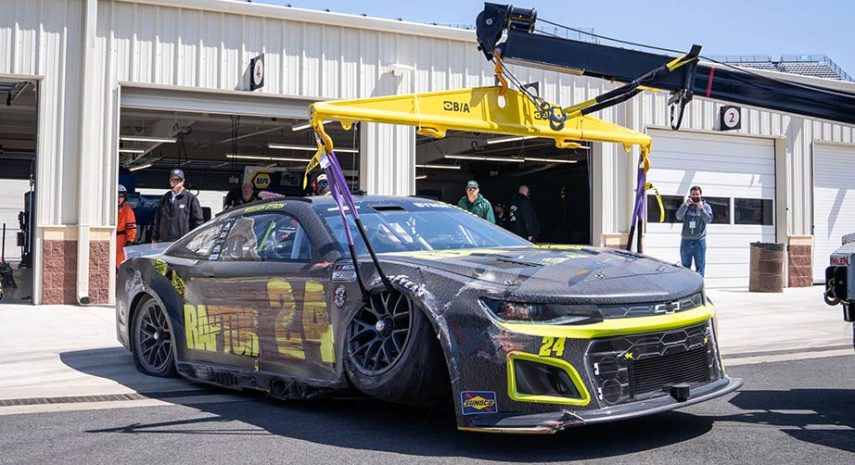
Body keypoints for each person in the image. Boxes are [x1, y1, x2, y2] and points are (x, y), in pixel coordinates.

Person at [152, 168, 204, 243]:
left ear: (183, 181)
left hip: (183, 242)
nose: (176, 182)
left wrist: (197, 238)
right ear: (170, 181)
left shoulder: (191, 199)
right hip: (164, 241)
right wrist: (154, 238)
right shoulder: (164, 199)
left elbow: (198, 221)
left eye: (179, 180)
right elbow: (157, 220)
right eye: (173, 180)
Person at [676, 185, 713, 276]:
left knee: (700, 266)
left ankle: (699, 288)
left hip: (699, 240)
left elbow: (708, 220)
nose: (695, 196)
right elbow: (678, 216)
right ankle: (687, 287)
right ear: (690, 195)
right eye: (693, 194)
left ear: (701, 195)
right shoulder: (687, 206)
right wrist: (685, 205)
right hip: (686, 240)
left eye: (697, 194)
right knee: (685, 267)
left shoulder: (706, 206)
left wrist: (701, 209)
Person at [116, 184, 137, 268]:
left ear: (124, 197)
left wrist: (129, 241)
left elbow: (131, 228)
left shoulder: (127, 210)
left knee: (120, 264)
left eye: (121, 196)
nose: (119, 199)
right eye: (117, 196)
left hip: (122, 240)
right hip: (111, 237)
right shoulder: (108, 208)